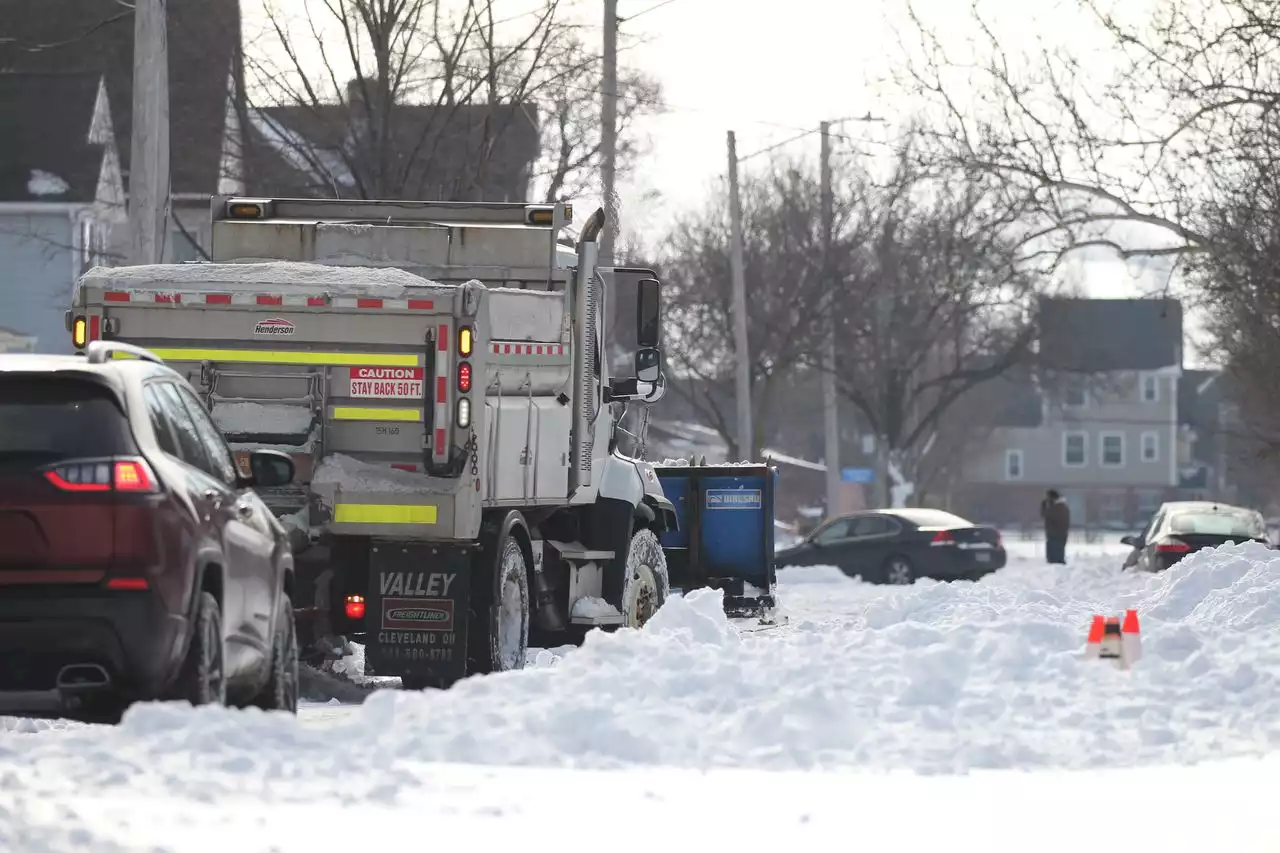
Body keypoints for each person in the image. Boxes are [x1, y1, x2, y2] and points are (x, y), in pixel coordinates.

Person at [1040, 489, 1071, 564]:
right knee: (1055, 556)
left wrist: (1044, 507)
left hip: (1056, 535)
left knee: (1056, 558)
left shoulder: (1058, 508)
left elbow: (1047, 515)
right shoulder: (1059, 507)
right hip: (1056, 535)